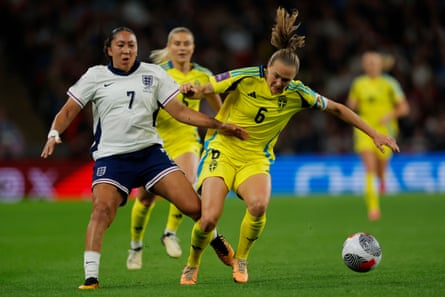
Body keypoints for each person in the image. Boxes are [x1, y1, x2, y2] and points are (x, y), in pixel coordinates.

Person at [178, 7, 400, 285]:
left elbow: (338, 109)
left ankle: (242, 260)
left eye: (286, 79)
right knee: (209, 218)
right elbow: (209, 87)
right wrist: (193, 90)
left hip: (255, 158)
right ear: (268, 68)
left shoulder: (298, 93)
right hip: (222, 150)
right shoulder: (247, 75)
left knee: (258, 205)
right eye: (276, 76)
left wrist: (375, 133)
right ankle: (192, 264)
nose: (279, 83)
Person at [40, 26, 247, 290]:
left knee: (195, 207)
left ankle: (218, 242)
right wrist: (54, 132)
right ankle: (91, 278)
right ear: (109, 49)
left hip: (150, 155)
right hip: (112, 159)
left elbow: (180, 112)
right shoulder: (95, 76)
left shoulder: (153, 73)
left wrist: (218, 125)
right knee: (101, 210)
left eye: (132, 45)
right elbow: (69, 109)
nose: (127, 50)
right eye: (121, 45)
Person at [126, 27, 232, 269]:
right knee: (145, 197)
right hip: (156, 138)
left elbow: (221, 109)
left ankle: (169, 233)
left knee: (187, 183)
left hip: (186, 138)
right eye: (177, 43)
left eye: (187, 43)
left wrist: (226, 128)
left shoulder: (204, 75)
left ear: (193, 48)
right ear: (169, 47)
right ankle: (135, 246)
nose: (182, 48)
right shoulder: (157, 73)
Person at [347, 51, 409, 221]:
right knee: (369, 168)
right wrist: (352, 105)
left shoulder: (390, 83)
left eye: (373, 62)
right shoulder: (358, 83)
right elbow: (351, 106)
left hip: (385, 131)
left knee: (381, 169)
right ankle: (373, 208)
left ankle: (382, 181)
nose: (370, 65)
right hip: (364, 131)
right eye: (367, 63)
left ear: (380, 65)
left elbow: (404, 108)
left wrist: (389, 116)